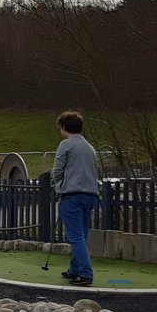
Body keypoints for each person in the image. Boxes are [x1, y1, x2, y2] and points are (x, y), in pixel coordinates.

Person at [51, 110, 98, 286]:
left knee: (75, 236)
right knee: (82, 234)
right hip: (90, 194)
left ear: (64, 127)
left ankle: (86, 273)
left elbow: (57, 170)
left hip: (72, 194)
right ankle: (75, 269)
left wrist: (59, 186)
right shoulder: (89, 147)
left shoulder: (66, 144)